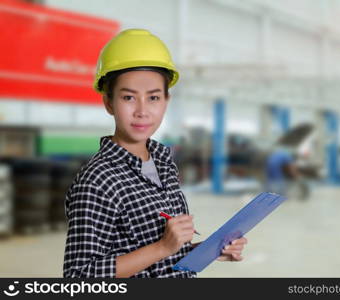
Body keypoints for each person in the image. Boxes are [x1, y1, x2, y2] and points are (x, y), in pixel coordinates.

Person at [63, 29, 247, 278]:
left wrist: (209, 250)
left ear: (166, 101)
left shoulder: (163, 163)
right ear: (108, 102)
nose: (142, 111)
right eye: (128, 97)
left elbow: (165, 260)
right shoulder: (98, 181)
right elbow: (79, 277)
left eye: (153, 98)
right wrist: (162, 247)